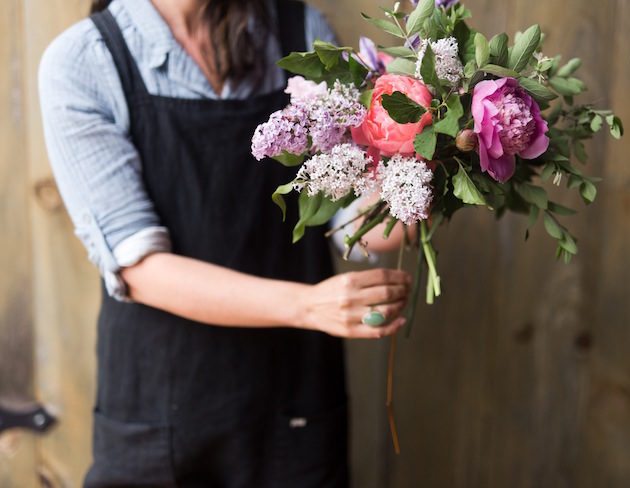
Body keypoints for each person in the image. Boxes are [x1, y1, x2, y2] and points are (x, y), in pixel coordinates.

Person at [39, 0, 411, 486]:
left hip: (293, 403)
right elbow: (141, 267)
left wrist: (422, 161)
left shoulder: (299, 30)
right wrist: (309, 306)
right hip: (160, 412)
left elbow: (351, 223)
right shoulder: (85, 60)